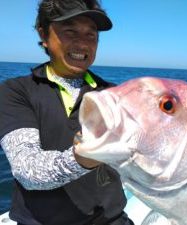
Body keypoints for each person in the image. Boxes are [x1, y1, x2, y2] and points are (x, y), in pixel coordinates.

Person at [0, 1, 134, 225]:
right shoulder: (16, 91)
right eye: (70, 31)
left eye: (91, 35)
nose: (82, 43)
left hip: (112, 219)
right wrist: (82, 157)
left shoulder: (116, 95)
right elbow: (27, 170)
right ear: (43, 34)